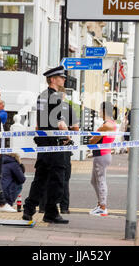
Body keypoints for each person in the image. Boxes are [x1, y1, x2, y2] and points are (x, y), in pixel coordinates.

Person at [22, 65, 69, 224]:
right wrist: (67, 134)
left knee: (41, 179)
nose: (63, 79)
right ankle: (50, 212)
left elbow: (39, 123)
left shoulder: (42, 96)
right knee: (57, 179)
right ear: (53, 79)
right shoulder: (55, 97)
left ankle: (29, 210)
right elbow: (60, 123)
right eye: (61, 77)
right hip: (54, 145)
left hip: (44, 144)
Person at [38, 86, 79, 214]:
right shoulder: (68, 108)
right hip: (63, 147)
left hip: (47, 146)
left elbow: (38, 127)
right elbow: (76, 128)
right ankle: (64, 207)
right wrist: (68, 136)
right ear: (64, 95)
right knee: (64, 178)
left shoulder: (46, 107)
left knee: (44, 176)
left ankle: (43, 207)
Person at [88, 101, 117, 217]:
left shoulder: (107, 125)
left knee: (100, 180)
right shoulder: (111, 123)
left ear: (104, 111)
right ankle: (100, 204)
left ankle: (103, 207)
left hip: (102, 155)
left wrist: (99, 130)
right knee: (94, 181)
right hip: (103, 154)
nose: (99, 112)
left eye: (100, 110)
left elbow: (92, 141)